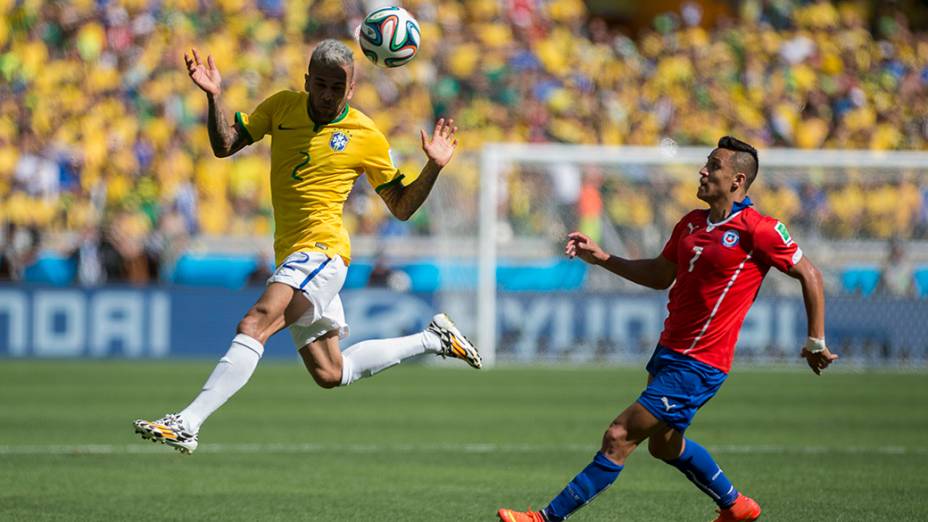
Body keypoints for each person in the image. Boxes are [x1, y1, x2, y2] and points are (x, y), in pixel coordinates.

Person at [134, 40, 481, 454]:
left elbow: (402, 207)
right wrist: (214, 97)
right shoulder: (281, 107)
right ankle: (433, 339)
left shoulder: (365, 134)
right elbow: (224, 145)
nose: (329, 94)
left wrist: (433, 167)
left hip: (323, 252)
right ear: (306, 82)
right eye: (321, 84)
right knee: (331, 372)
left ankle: (188, 422)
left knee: (255, 324)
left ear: (351, 89)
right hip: (294, 254)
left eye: (338, 87)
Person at [497, 136, 838, 522]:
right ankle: (737, 506)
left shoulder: (758, 229)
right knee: (664, 445)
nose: (703, 171)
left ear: (737, 181)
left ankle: (545, 518)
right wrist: (604, 259)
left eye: (713, 166)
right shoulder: (691, 223)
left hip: (700, 364)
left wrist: (815, 341)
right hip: (669, 352)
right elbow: (661, 276)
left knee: (619, 436)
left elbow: (810, 274)